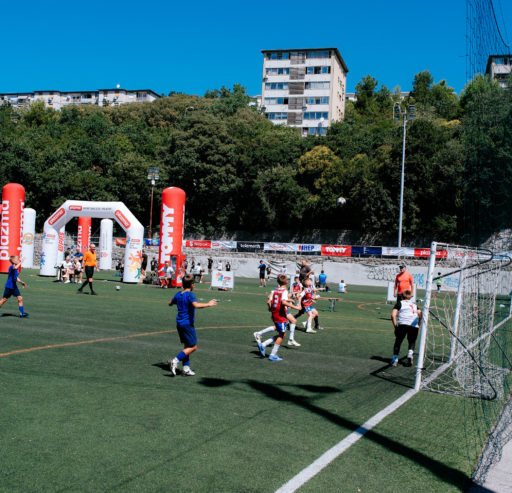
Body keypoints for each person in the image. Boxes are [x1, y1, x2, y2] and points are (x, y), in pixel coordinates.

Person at [167, 274, 217, 376]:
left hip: (179, 324)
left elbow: (170, 303)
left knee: (187, 346)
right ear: (192, 285)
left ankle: (186, 368)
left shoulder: (178, 294)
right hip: (187, 324)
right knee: (193, 347)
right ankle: (175, 361)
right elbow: (196, 305)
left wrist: (175, 303)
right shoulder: (190, 295)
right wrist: (209, 304)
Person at [257, 274, 300, 360]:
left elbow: (270, 301)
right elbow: (283, 302)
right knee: (282, 335)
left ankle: (264, 344)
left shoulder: (275, 290)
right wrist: (296, 307)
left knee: (280, 333)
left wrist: (270, 309)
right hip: (281, 315)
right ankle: (272, 354)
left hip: (274, 314)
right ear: (287, 282)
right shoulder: (284, 291)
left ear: (277, 282)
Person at [390, 289, 422, 367]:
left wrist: (395, 327)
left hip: (403, 324)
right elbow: (421, 315)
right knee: (412, 341)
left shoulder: (399, 303)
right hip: (414, 326)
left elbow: (393, 315)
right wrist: (418, 326)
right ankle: (410, 354)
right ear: (411, 297)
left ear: (401, 296)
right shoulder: (414, 305)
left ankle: (395, 359)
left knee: (398, 341)